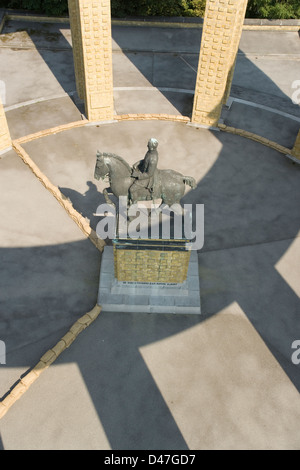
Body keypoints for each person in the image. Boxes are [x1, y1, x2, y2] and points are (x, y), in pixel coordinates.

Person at [130, 138, 159, 203]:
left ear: (152, 146)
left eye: (148, 145)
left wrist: (138, 175)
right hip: (143, 169)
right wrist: (138, 163)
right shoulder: (150, 152)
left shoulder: (153, 159)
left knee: (132, 189)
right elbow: (145, 160)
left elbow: (149, 174)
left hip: (147, 177)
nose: (147, 145)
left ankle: (134, 204)